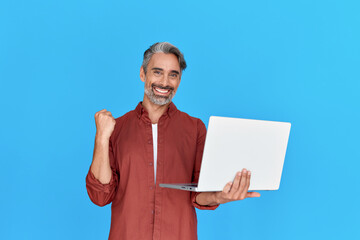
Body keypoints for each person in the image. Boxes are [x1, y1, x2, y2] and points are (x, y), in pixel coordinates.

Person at [85, 42, 261, 240]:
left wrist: (222, 196)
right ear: (143, 74)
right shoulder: (115, 129)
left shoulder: (194, 129)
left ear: (179, 80)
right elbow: (100, 196)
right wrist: (101, 138)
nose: (165, 82)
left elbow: (198, 193)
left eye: (173, 74)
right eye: (157, 72)